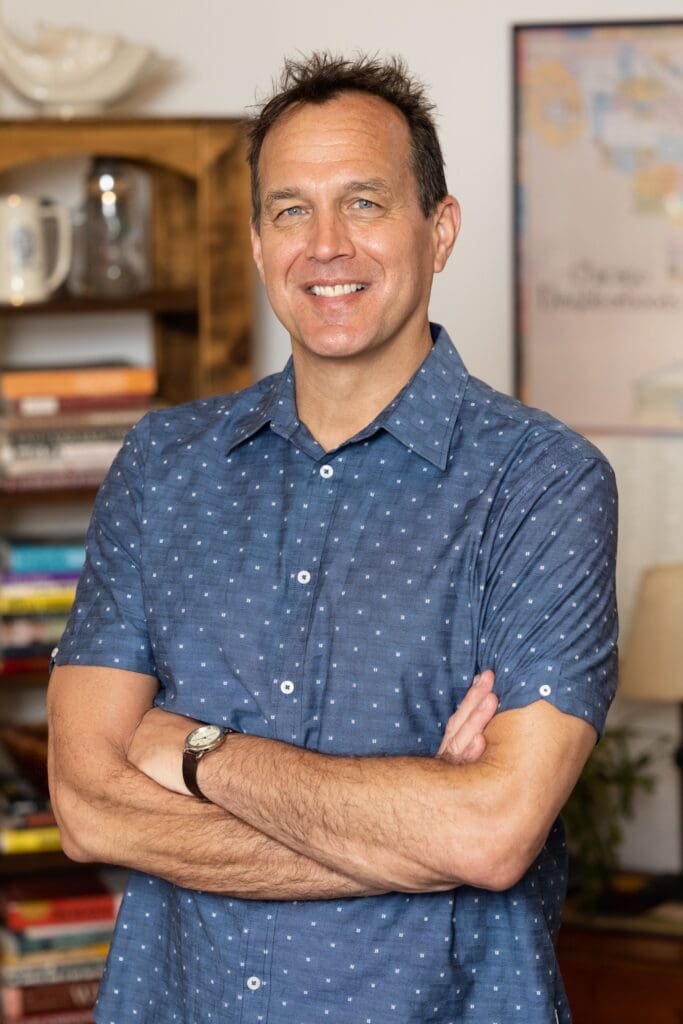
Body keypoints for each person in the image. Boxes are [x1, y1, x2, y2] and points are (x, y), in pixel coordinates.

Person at [47, 52, 618, 1024]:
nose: (324, 246)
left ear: (437, 230)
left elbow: (489, 836)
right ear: (258, 241)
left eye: (362, 202)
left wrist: (190, 750)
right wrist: (410, 833)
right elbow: (85, 804)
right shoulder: (162, 464)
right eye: (288, 210)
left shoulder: (542, 482)